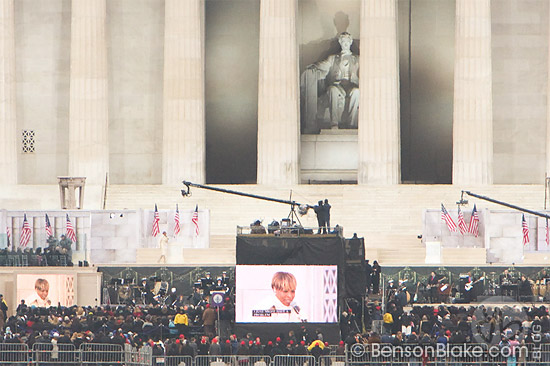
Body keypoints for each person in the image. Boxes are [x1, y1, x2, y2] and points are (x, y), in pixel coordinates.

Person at [301, 32, 359, 132]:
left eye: (347, 41)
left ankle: (351, 124)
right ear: (340, 43)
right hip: (338, 86)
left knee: (357, 92)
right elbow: (323, 65)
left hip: (351, 85)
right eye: (343, 41)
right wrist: (314, 66)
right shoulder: (333, 58)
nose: (345, 43)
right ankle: (334, 123)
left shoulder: (357, 59)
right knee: (332, 90)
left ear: (350, 42)